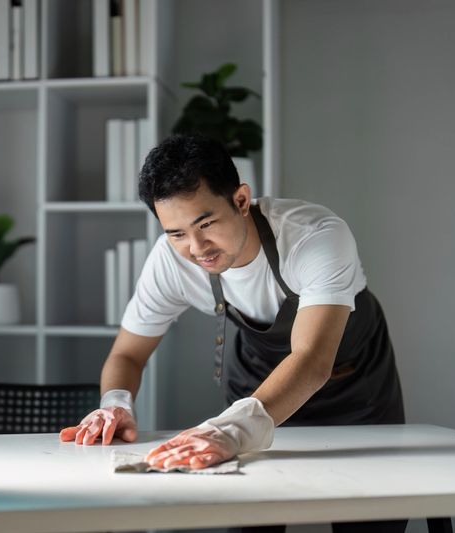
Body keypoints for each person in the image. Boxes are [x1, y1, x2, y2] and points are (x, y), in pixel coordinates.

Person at [59, 134, 406, 533]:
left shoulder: (316, 236)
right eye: (176, 233)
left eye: (206, 223)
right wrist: (115, 403)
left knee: (371, 518)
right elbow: (127, 355)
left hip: (353, 390)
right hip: (255, 382)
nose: (196, 248)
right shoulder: (171, 261)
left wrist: (230, 428)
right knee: (251, 517)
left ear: (241, 200)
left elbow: (312, 360)